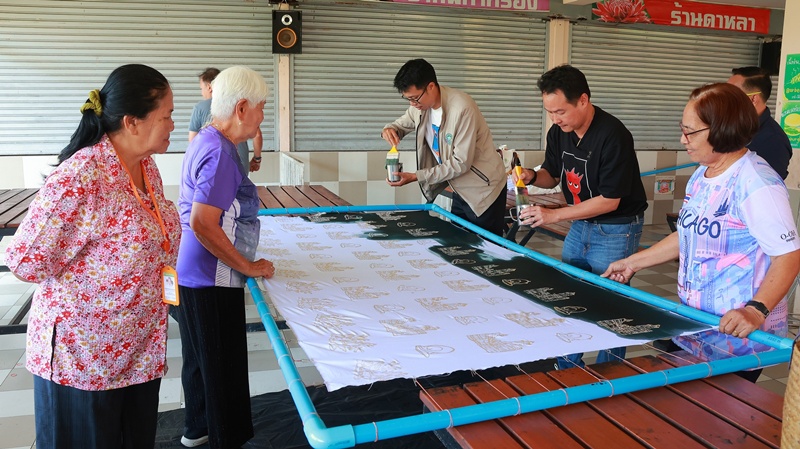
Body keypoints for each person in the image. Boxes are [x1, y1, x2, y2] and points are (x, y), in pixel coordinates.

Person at [4, 64, 180, 448]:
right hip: (84, 357)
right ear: (132, 122)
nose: (173, 125)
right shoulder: (81, 176)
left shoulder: (145, 166)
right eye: (166, 116)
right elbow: (24, 261)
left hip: (138, 349)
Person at [602, 83, 800, 382]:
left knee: (716, 409)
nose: (682, 139)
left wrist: (756, 311)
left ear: (722, 130)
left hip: (736, 337)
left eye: (690, 132)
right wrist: (633, 263)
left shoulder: (757, 184)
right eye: (682, 130)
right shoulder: (702, 174)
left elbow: (788, 256)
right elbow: (688, 234)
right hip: (695, 326)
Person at [515, 64, 648, 369]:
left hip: (617, 228)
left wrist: (553, 216)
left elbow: (610, 201)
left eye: (560, 111)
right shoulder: (559, 132)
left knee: (610, 303)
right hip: (581, 222)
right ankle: (567, 369)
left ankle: (609, 370)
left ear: (584, 100)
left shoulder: (613, 135)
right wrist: (531, 175)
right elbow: (552, 176)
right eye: (550, 112)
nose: (555, 119)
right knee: (569, 295)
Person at [176, 66, 275, 449]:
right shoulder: (219, 152)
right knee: (223, 368)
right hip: (210, 276)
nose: (262, 116)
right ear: (242, 107)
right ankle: (225, 439)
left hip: (194, 273)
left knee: (200, 361)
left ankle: (197, 428)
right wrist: (247, 266)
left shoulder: (208, 139)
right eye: (262, 107)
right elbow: (203, 223)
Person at [380, 58, 508, 236]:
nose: (412, 104)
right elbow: (400, 124)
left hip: (483, 190)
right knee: (459, 242)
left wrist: (417, 176)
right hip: (459, 187)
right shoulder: (420, 107)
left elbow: (460, 163)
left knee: (486, 248)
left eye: (414, 98)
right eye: (408, 99)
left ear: (431, 87)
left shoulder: (462, 108)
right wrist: (389, 130)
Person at [189, 67, 264, 174]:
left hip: (215, 168)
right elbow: (257, 135)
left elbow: (193, 143)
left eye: (201, 88)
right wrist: (257, 159)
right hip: (241, 164)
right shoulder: (238, 105)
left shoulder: (199, 108)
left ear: (209, 87)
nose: (202, 92)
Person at [727, 66, 792, 179]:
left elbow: (769, 185)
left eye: (731, 95)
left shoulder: (774, 141)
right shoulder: (732, 126)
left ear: (753, 99)